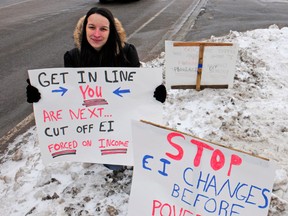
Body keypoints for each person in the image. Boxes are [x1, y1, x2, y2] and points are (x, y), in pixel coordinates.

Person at [26, 7, 166, 170]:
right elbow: (68, 97)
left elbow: (139, 89)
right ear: (84, 28)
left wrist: (156, 93)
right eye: (92, 27)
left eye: (103, 29)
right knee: (115, 165)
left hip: (123, 119)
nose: (97, 34)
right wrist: (40, 95)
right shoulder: (73, 57)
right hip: (95, 125)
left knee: (132, 157)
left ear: (111, 31)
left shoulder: (127, 52)